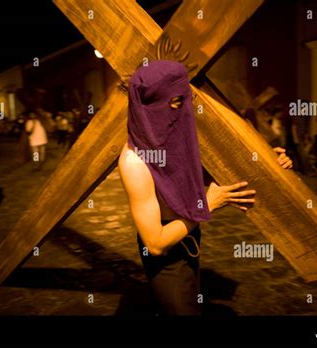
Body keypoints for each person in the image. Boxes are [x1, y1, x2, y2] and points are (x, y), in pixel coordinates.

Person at [118, 61, 292, 316]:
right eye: (175, 101)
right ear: (151, 104)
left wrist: (267, 164)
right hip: (167, 258)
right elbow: (155, 243)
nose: (183, 108)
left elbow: (206, 171)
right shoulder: (134, 161)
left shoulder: (173, 135)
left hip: (188, 236)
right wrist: (208, 205)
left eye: (183, 99)